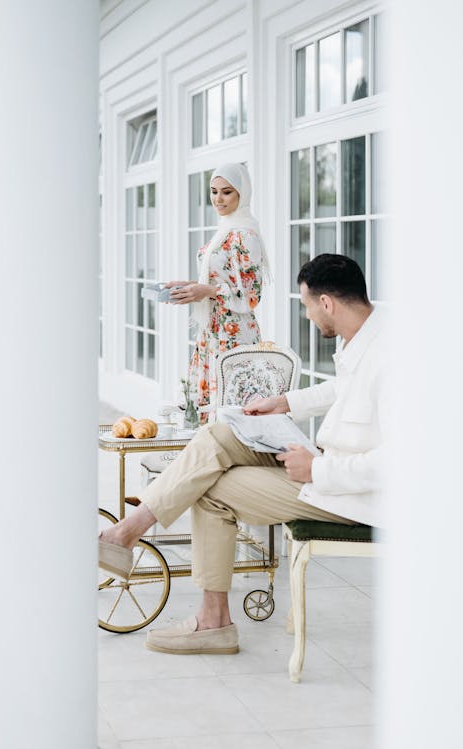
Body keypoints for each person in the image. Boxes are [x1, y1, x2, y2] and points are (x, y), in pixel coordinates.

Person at [99, 253, 384, 655]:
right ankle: (126, 534)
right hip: (325, 464)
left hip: (347, 493)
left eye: (306, 306)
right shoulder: (371, 335)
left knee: (212, 487)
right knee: (218, 434)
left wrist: (318, 470)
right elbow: (343, 390)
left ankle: (212, 622)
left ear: (327, 303)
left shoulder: (393, 357)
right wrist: (284, 401)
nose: (308, 317)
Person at [165, 162, 270, 421]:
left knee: (231, 406)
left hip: (234, 332)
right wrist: (190, 286)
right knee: (210, 406)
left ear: (242, 194)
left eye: (226, 192)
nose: (218, 199)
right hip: (213, 328)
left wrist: (207, 291)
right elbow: (219, 279)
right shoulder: (225, 230)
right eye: (213, 191)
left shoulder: (246, 235)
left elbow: (251, 295)